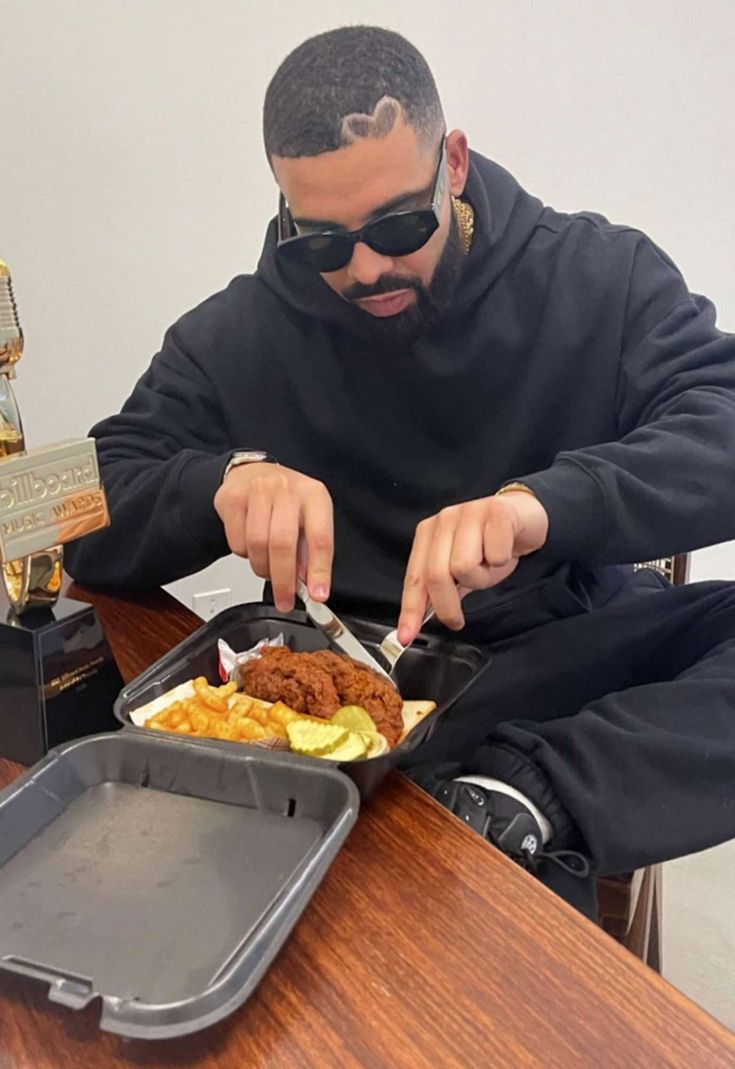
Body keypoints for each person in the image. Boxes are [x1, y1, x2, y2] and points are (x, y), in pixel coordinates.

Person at [66, 26, 735, 917]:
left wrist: (544, 505)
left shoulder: (596, 276)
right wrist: (215, 483)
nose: (369, 266)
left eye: (398, 225)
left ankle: (531, 795)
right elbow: (78, 515)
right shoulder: (238, 332)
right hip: (351, 683)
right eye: (323, 244)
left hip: (563, 666)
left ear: (451, 162)